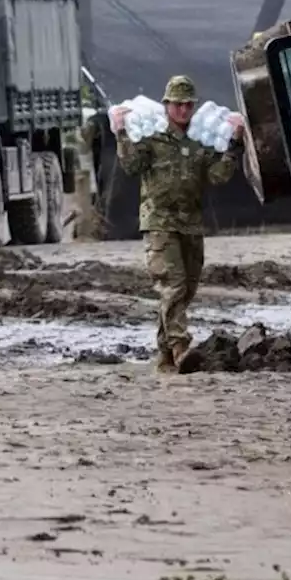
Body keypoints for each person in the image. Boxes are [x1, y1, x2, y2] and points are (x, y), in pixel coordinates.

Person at [114, 75, 243, 372]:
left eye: (188, 105)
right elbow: (131, 166)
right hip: (160, 223)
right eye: (177, 105)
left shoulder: (202, 140)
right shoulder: (151, 136)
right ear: (167, 105)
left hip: (191, 224)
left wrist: (234, 146)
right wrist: (121, 134)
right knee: (172, 286)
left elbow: (217, 176)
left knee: (185, 291)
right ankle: (181, 348)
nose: (183, 110)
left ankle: (165, 355)